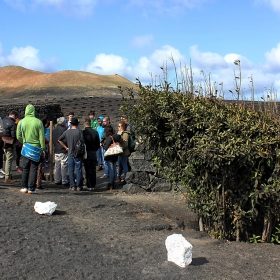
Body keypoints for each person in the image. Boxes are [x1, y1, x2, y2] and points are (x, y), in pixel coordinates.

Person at [16, 104, 45, 194]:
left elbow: (18, 136)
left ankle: (24, 187)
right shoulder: (38, 122)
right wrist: (42, 148)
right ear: (33, 111)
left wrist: (24, 141)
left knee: (25, 168)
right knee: (34, 168)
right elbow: (41, 137)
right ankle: (31, 188)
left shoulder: (21, 122)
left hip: (26, 147)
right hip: (36, 148)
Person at [58, 117, 84, 191]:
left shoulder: (67, 132)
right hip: (78, 153)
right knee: (79, 169)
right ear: (77, 124)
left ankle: (72, 185)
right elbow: (82, 142)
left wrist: (66, 147)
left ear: (71, 124)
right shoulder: (79, 132)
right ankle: (79, 185)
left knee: (71, 170)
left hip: (70, 153)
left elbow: (59, 139)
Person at [83, 118, 100, 190]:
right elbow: (98, 143)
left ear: (84, 124)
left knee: (87, 169)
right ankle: (93, 184)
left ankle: (89, 184)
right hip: (94, 151)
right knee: (93, 169)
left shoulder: (83, 132)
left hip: (87, 152)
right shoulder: (95, 132)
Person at [103, 125, 121, 190]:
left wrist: (103, 145)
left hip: (110, 155)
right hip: (115, 154)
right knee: (114, 169)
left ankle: (111, 183)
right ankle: (113, 182)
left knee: (111, 170)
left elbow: (105, 147)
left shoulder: (110, 137)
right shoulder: (117, 136)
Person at [2, 110, 18, 183]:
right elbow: (14, 135)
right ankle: (8, 177)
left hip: (2, 142)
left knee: (6, 159)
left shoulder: (3, 120)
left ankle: (8, 175)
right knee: (9, 159)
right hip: (9, 143)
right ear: (14, 115)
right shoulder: (12, 123)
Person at [53, 117, 69, 186]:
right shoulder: (64, 129)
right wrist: (66, 147)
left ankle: (57, 179)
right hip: (63, 149)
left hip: (56, 149)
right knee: (64, 165)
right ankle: (64, 180)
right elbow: (65, 140)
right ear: (63, 122)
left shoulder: (54, 130)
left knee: (57, 166)